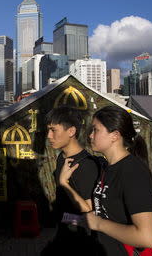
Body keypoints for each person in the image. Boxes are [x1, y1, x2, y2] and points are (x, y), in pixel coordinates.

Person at [60, 105, 152, 255]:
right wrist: (69, 218)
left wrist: (99, 224)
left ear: (115, 135)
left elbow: (148, 238)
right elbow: (101, 214)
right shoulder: (107, 168)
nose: (90, 136)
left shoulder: (133, 172)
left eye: (96, 130)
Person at [41, 106, 102, 255]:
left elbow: (89, 211)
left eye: (53, 130)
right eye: (48, 130)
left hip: (80, 244)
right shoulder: (62, 158)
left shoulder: (86, 165)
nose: (49, 135)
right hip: (64, 237)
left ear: (71, 131)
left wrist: (64, 184)